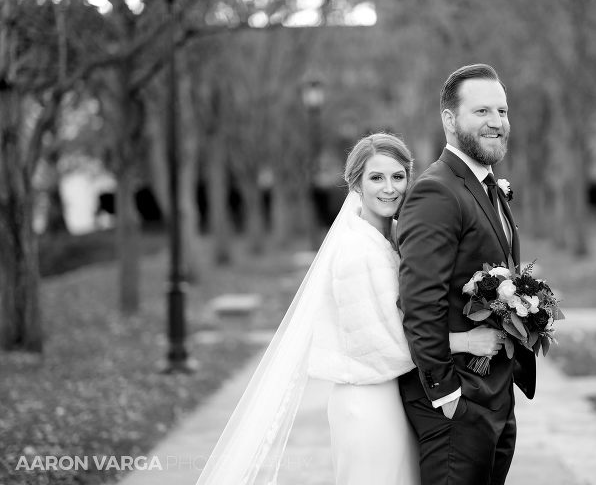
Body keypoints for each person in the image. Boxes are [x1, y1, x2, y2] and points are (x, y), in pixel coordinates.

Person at [195, 132, 505, 485]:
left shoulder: (395, 238)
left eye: (398, 176)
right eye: (376, 178)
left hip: (395, 396)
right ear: (356, 183)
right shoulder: (355, 252)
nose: (389, 188)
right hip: (367, 401)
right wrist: (466, 341)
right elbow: (380, 343)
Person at [397, 64, 537, 485]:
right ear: (449, 119)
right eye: (481, 111)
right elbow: (420, 303)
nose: (497, 122)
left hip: (495, 394)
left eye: (502, 111)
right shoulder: (436, 190)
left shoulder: (487, 186)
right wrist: (447, 394)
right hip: (457, 402)